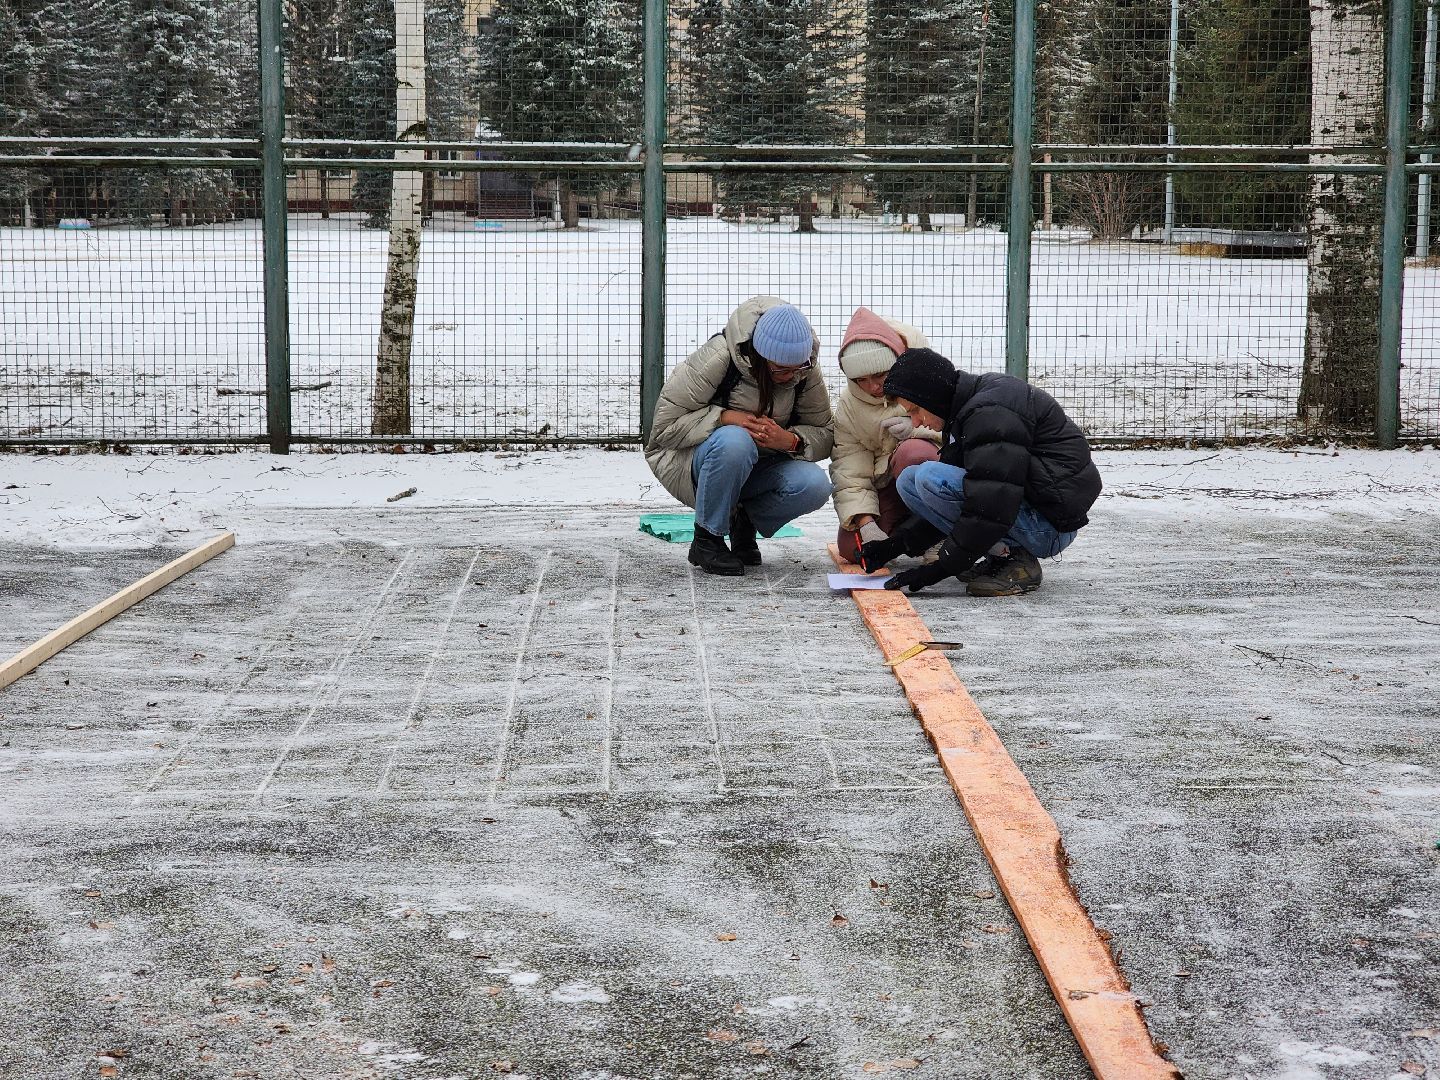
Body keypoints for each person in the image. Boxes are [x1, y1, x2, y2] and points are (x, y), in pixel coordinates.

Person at [857, 347, 1102, 597]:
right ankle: (1002, 554)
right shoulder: (966, 409)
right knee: (910, 480)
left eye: (915, 410)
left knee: (929, 478)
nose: (916, 422)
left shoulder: (989, 413)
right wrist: (895, 545)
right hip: (1029, 509)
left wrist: (941, 568)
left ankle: (1015, 560)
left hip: (1049, 526)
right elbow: (967, 499)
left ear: (931, 396)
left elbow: (990, 503)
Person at [645, 296, 835, 576]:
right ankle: (707, 539)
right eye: (781, 369)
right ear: (759, 355)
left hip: (760, 465)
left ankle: (743, 521)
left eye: (798, 367)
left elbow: (825, 432)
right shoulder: (719, 358)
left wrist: (790, 440)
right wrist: (724, 418)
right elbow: (664, 429)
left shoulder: (804, 371)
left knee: (815, 485)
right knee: (736, 442)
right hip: (695, 462)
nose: (790, 376)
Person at [829, 307, 941, 563]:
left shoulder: (928, 376)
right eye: (861, 380)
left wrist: (915, 429)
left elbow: (959, 434)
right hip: (885, 485)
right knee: (852, 549)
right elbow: (849, 467)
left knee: (913, 454)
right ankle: (907, 531)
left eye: (880, 375)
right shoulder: (849, 406)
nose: (873, 387)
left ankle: (938, 529)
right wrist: (866, 523)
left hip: (929, 479)